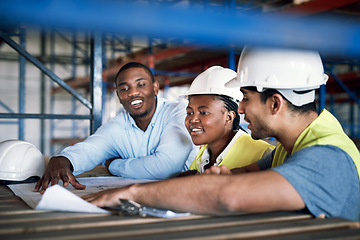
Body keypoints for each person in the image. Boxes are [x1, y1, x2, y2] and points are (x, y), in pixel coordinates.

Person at [83, 47, 360, 221]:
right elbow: (243, 174)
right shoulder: (288, 149)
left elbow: (228, 195)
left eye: (246, 98)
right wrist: (209, 177)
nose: (239, 108)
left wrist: (133, 192)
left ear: (275, 103)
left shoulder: (328, 156)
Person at [34, 62, 194, 193]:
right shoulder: (117, 125)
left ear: (155, 87)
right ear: (118, 95)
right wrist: (63, 160)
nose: (133, 93)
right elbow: (91, 148)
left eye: (141, 85)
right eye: (124, 89)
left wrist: (114, 165)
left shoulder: (180, 111)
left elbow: (165, 167)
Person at [178, 66, 273, 177]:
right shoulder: (204, 154)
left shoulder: (263, 154)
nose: (193, 119)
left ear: (229, 117)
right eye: (189, 113)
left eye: (203, 112)